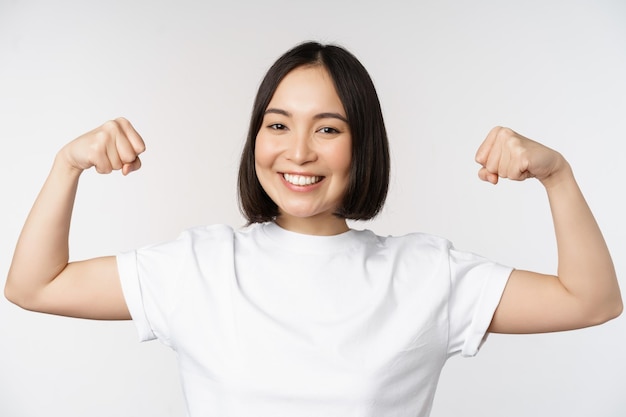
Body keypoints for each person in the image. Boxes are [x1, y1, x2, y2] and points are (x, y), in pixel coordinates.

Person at [5, 41, 622, 417]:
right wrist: (67, 166)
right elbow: (36, 286)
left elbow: (591, 301)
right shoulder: (199, 266)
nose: (297, 152)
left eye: (328, 128)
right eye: (278, 126)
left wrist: (558, 176)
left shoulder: (425, 275)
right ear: (256, 140)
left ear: (363, 146)